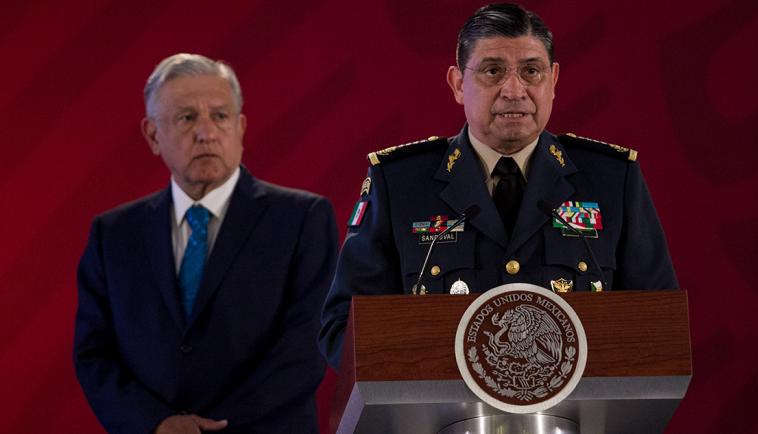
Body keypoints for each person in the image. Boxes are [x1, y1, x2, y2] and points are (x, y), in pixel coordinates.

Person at [318, 3, 678, 369]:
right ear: (458, 84)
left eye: (531, 71)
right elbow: (342, 331)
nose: (514, 89)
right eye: (493, 71)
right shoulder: (399, 183)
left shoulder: (611, 180)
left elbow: (660, 325)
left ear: (553, 79)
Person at [74, 53, 338, 433]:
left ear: (241, 126)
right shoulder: (113, 233)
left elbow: (307, 344)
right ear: (152, 135)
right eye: (186, 118)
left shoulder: (303, 218)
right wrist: (158, 423)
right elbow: (94, 353)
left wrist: (208, 429)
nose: (206, 132)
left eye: (220, 116)